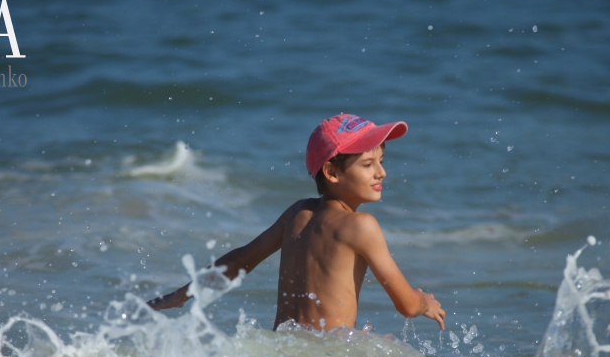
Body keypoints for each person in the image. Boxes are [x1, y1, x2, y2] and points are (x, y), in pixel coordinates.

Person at [147, 114, 445, 332]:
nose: (381, 173)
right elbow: (406, 305)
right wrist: (425, 302)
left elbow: (239, 260)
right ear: (331, 171)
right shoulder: (361, 226)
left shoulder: (297, 214)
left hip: (285, 348)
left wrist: (180, 295)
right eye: (368, 165)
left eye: (381, 161)